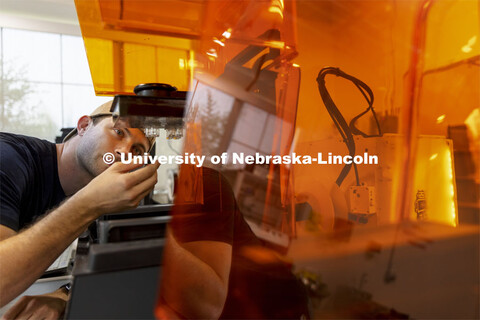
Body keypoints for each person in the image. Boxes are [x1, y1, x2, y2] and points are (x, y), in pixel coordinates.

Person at [0, 101, 230, 319]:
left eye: (138, 151)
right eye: (119, 132)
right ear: (83, 126)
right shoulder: (9, 159)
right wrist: (89, 203)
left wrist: (64, 294)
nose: (124, 152)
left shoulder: (105, 193)